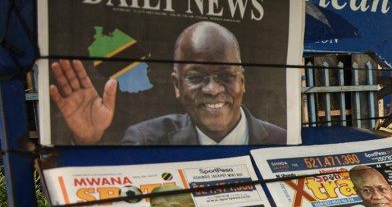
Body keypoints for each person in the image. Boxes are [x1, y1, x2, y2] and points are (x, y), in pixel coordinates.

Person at [50, 20, 287, 145]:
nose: (213, 90)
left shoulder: (282, 141)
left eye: (226, 76)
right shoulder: (145, 139)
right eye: (196, 77)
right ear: (177, 85)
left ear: (242, 81)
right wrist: (88, 142)